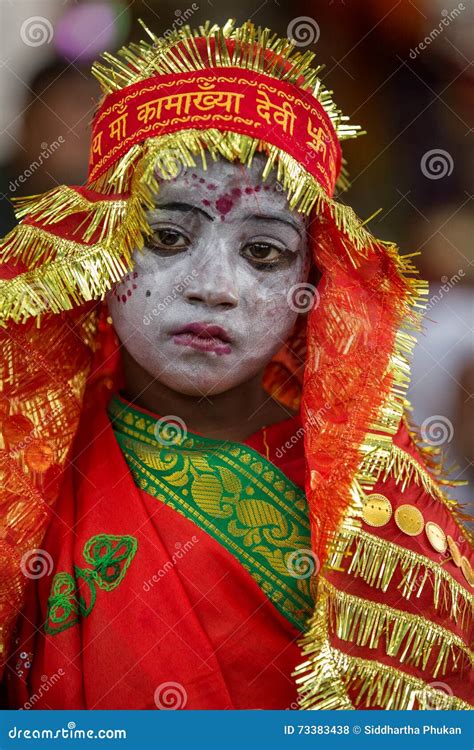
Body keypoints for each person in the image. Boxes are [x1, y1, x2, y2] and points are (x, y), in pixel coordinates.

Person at [0, 19, 472, 710]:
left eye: (263, 254)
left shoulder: (375, 517)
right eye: (167, 235)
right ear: (98, 252)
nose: (213, 286)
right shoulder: (23, 470)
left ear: (316, 282)